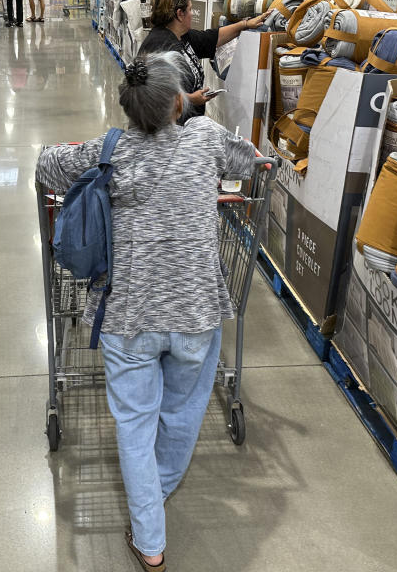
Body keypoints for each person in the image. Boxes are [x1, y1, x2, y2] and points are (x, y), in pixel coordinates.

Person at [35, 52, 259, 572]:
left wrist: (62, 150)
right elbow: (248, 163)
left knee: (134, 425)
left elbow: (48, 165)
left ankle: (151, 542)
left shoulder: (109, 149)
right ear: (179, 100)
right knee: (180, 414)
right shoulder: (205, 140)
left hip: (127, 314)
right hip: (196, 310)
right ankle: (151, 504)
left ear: (129, 108)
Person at [139, 0, 270, 119]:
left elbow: (212, 37)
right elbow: (153, 98)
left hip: (186, 128)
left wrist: (245, 24)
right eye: (190, 9)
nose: (192, 14)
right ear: (180, 14)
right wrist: (190, 100)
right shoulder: (159, 47)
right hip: (168, 132)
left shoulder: (181, 36)